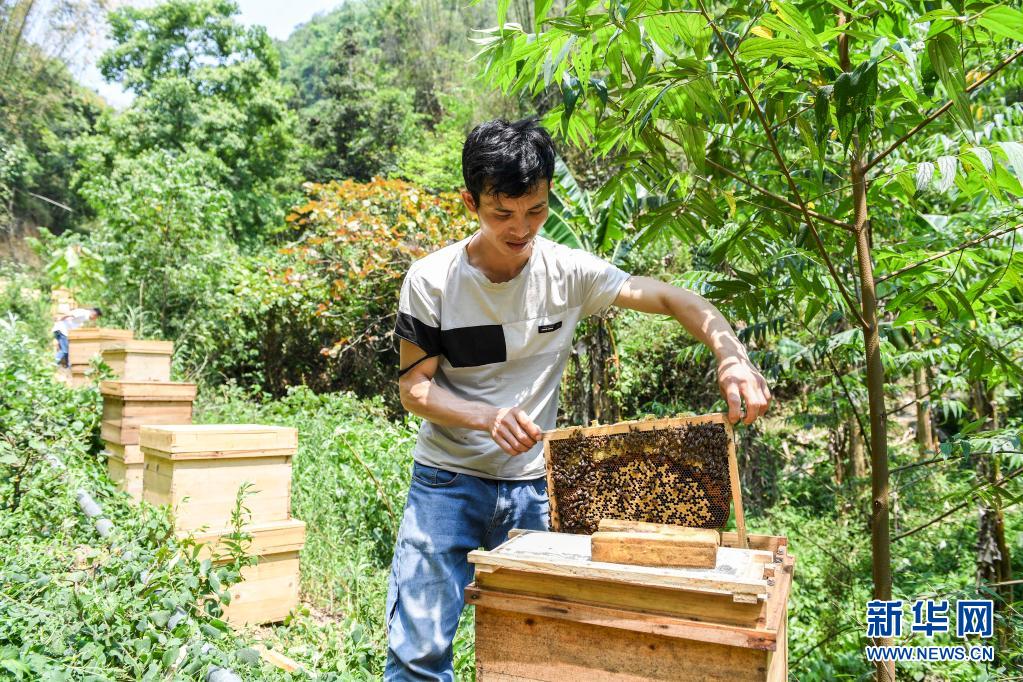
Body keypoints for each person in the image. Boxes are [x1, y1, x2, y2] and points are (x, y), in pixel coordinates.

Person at [384, 118, 771, 681]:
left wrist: (729, 353)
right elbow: (414, 388)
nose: (521, 230)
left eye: (535, 210)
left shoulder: (568, 273)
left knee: (544, 652)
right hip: (446, 482)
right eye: (503, 214)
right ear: (470, 201)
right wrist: (484, 416)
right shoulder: (431, 282)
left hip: (536, 489)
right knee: (418, 652)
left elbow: (670, 296)